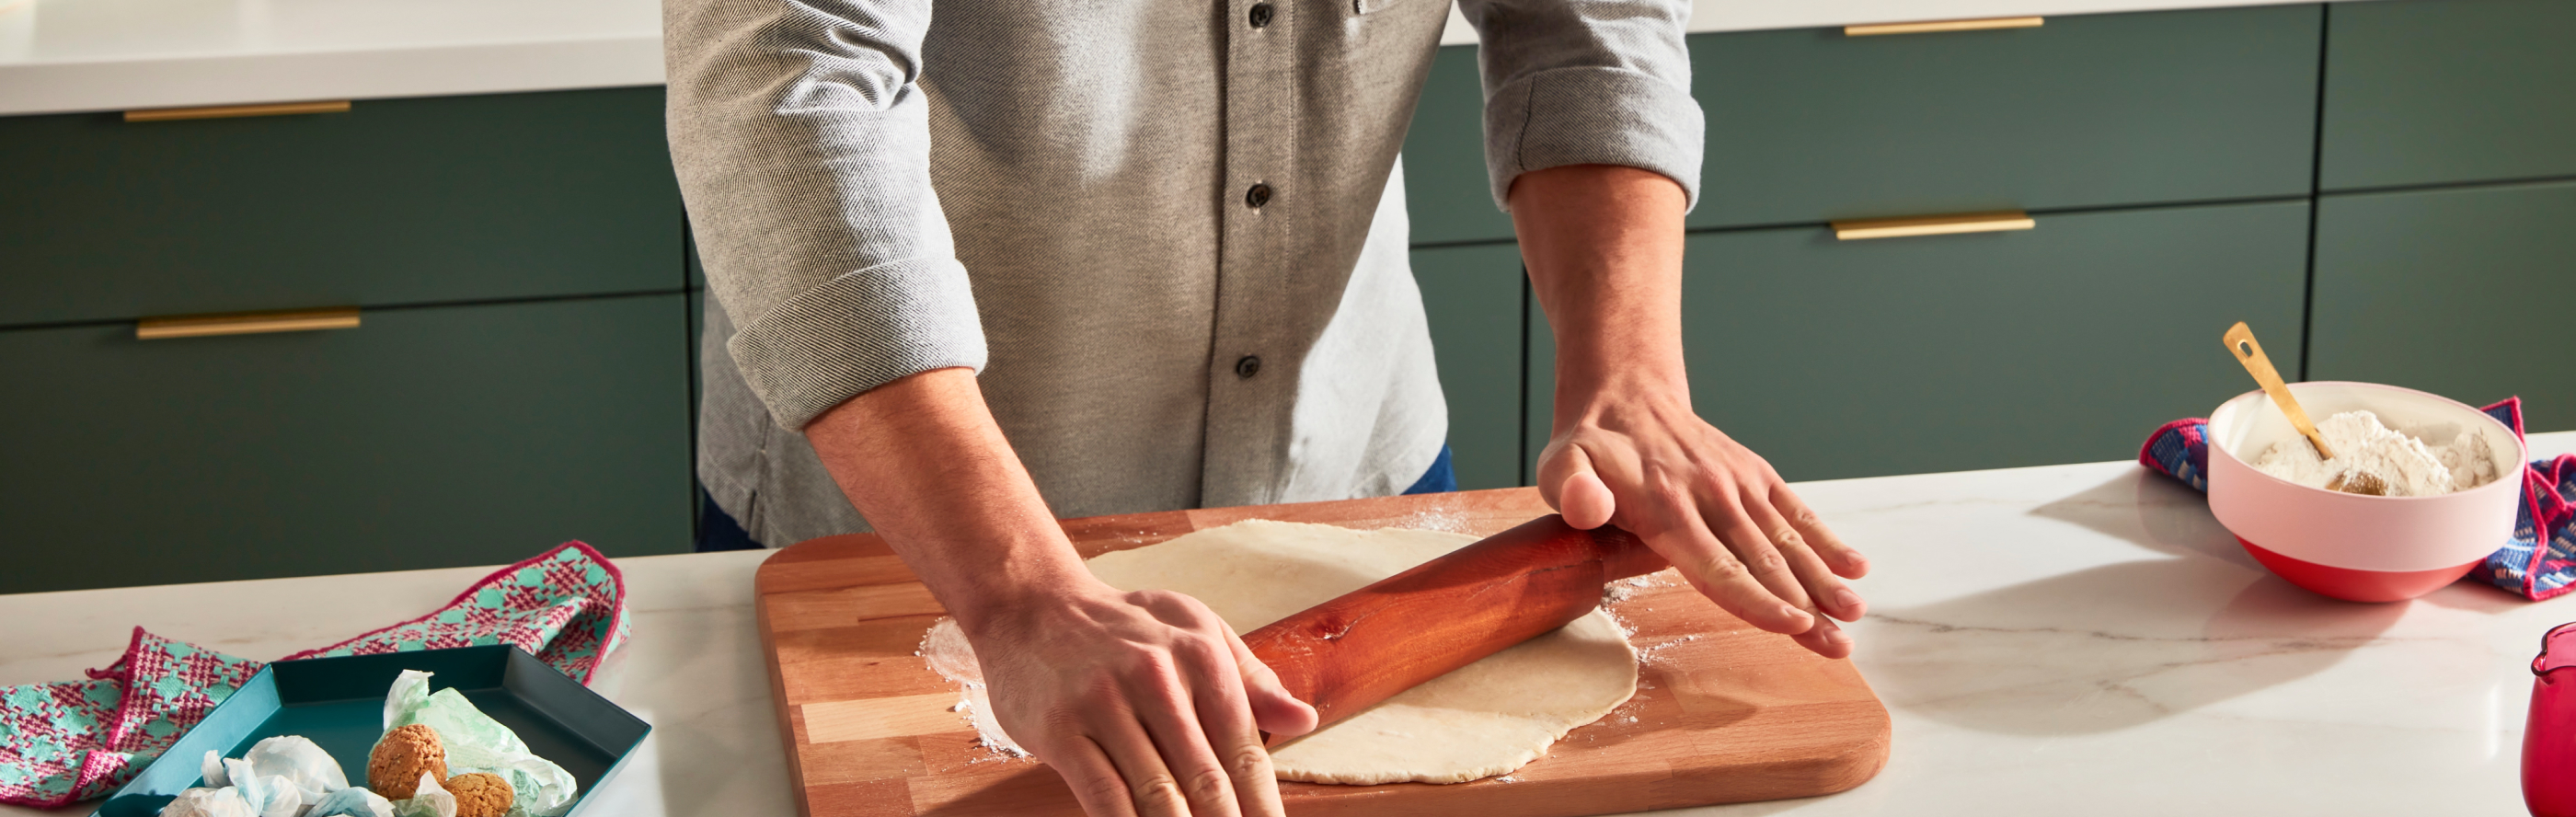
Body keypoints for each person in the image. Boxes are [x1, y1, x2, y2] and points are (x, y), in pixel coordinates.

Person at [664, 0, 1871, 813]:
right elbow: (785, 88)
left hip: (1353, 457)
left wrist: (1630, 378)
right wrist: (1019, 590)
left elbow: (1586, 26)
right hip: (922, 523)